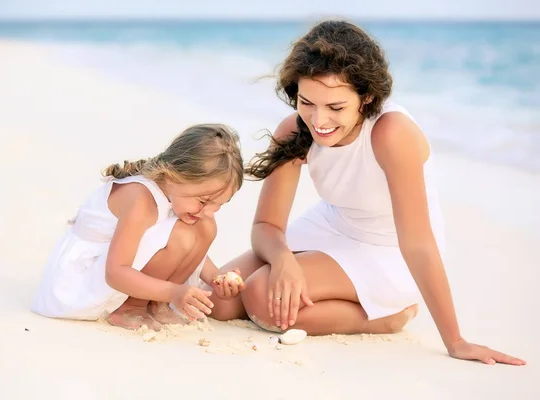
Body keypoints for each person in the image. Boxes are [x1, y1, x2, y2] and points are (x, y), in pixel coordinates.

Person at [210, 20, 525, 366]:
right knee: (220, 300)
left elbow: (417, 243)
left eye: (336, 107)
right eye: (307, 102)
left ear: (367, 97)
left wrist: (456, 340)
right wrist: (284, 260)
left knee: (259, 296)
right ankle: (329, 291)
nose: (318, 120)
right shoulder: (293, 130)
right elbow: (267, 226)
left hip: (390, 252)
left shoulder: (391, 133)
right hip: (333, 226)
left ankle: (387, 316)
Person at [31, 124, 246, 331]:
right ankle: (131, 307)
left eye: (219, 205)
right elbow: (115, 272)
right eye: (204, 201)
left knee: (205, 226)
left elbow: (189, 249)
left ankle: (155, 304)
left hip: (115, 269)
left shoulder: (175, 193)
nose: (209, 211)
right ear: (174, 175)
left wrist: (216, 278)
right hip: (80, 283)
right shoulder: (140, 200)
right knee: (182, 234)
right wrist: (173, 292)